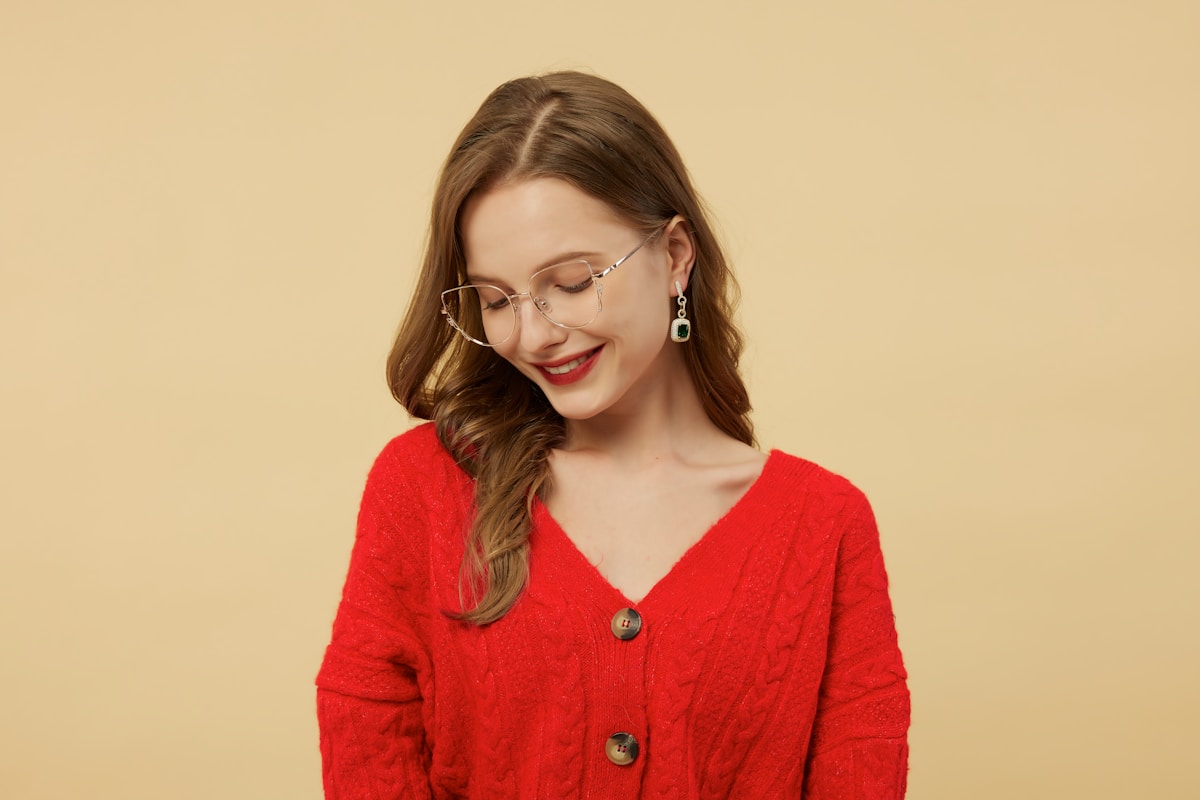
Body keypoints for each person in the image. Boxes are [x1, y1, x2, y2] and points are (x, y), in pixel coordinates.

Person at [316, 71, 909, 798]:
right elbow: (366, 740)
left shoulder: (824, 528)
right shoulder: (423, 489)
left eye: (570, 282)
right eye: (497, 299)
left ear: (676, 256)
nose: (533, 334)